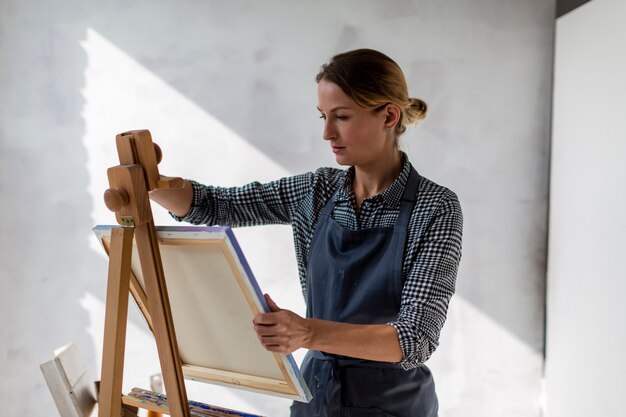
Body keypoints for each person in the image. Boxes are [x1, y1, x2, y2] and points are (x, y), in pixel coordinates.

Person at [150, 48, 463, 417]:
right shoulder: (316, 192)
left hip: (392, 405)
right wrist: (151, 183)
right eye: (323, 117)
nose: (327, 133)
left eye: (342, 117)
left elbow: (414, 338)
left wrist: (306, 333)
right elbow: (216, 204)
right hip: (315, 398)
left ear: (389, 116)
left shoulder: (435, 207)